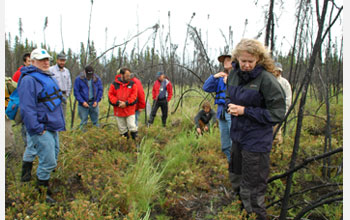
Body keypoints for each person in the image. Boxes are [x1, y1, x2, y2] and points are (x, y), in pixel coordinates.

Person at [225, 39, 286, 220]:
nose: (246, 65)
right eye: (243, 61)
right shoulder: (234, 75)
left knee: (253, 187)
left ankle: (256, 216)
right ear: (237, 58)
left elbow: (277, 113)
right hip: (237, 137)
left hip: (257, 140)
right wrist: (230, 105)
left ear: (259, 59)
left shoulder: (266, 79)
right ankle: (242, 213)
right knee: (236, 177)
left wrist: (246, 111)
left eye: (250, 61)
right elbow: (228, 96)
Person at [17, 48, 65, 203]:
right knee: (48, 160)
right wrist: (37, 129)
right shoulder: (28, 80)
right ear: (33, 61)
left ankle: (44, 186)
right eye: (42, 60)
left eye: (47, 60)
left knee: (54, 156)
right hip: (41, 127)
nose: (46, 62)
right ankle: (42, 193)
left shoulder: (47, 76)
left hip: (52, 125)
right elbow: (27, 108)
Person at [203, 54, 233, 161]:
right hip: (221, 112)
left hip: (232, 111)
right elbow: (206, 87)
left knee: (234, 140)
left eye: (228, 60)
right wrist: (214, 77)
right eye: (224, 60)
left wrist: (229, 82)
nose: (225, 62)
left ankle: (239, 166)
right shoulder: (220, 77)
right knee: (225, 143)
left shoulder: (238, 76)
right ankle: (231, 163)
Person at [108, 67, 138, 140]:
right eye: (127, 75)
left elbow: (134, 96)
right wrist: (118, 102)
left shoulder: (133, 84)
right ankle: (126, 144)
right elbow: (110, 95)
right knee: (122, 129)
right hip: (119, 111)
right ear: (122, 75)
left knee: (132, 127)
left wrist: (126, 103)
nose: (129, 77)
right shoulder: (114, 84)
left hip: (129, 110)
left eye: (129, 75)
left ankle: (136, 144)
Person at [73, 65, 103, 130]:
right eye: (88, 76)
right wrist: (82, 102)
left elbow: (100, 90)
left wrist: (97, 101)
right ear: (85, 72)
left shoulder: (97, 79)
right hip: (83, 104)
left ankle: (96, 134)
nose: (90, 77)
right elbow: (76, 92)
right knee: (83, 122)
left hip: (93, 103)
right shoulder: (78, 79)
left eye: (91, 75)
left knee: (95, 122)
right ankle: (83, 135)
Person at [12, 52, 31, 149]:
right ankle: (27, 146)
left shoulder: (33, 72)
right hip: (22, 103)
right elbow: (12, 89)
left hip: (31, 104)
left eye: (32, 61)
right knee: (25, 125)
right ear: (24, 62)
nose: (31, 63)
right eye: (29, 61)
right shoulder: (19, 73)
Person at [272, 62, 292, 146]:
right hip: (268, 110)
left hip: (279, 111)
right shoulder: (268, 80)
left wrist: (284, 112)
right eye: (276, 70)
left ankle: (277, 148)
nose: (277, 72)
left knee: (277, 133)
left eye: (279, 71)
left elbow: (288, 98)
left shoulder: (284, 83)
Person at [49, 52, 72, 120]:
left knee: (63, 114)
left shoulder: (66, 71)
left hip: (64, 95)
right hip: (54, 95)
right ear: (57, 60)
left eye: (63, 61)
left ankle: (62, 129)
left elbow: (69, 84)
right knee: (54, 113)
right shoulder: (51, 70)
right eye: (61, 60)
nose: (62, 62)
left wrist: (67, 94)